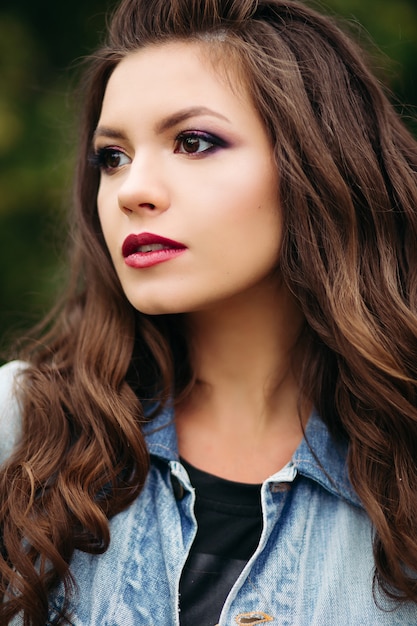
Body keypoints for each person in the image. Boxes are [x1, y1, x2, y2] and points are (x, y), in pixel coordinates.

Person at [1, 0, 417, 624]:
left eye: (193, 142)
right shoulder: (21, 431)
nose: (134, 190)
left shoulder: (403, 462)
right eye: (112, 157)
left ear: (318, 166)